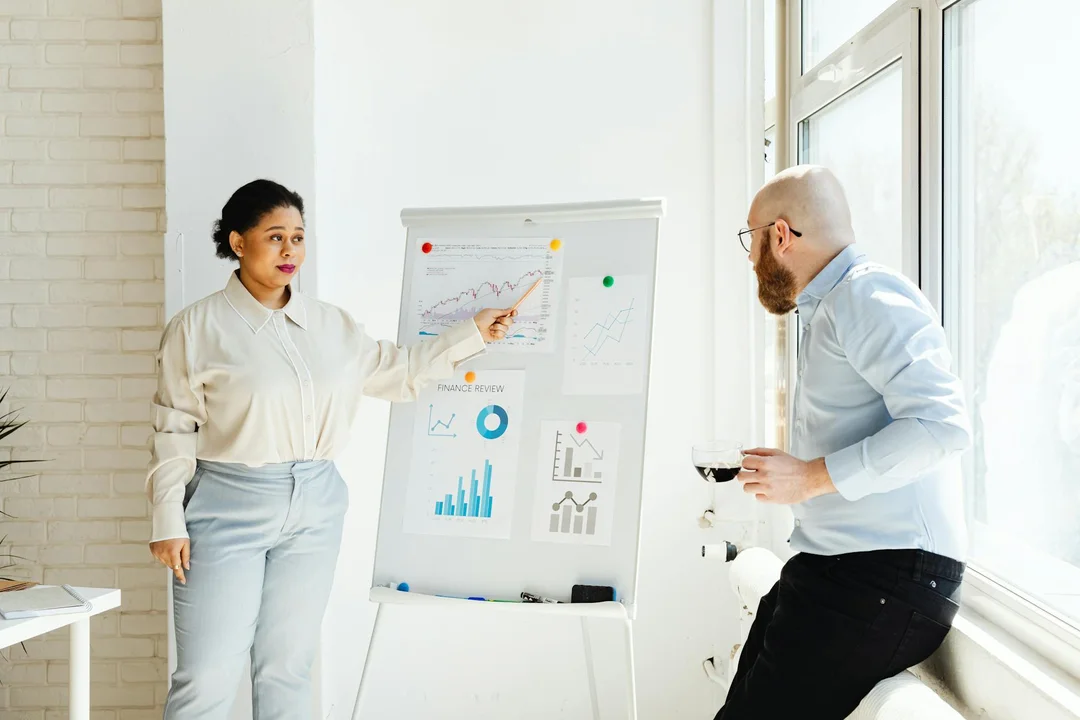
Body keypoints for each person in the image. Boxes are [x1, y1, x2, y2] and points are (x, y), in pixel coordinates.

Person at [146, 179, 515, 719]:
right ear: (238, 242)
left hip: (317, 504)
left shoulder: (332, 324)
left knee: (288, 668)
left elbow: (401, 373)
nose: (290, 249)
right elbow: (172, 428)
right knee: (207, 675)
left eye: (298, 237)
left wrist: (473, 334)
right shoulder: (196, 329)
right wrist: (166, 518)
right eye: (275, 237)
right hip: (226, 505)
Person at [716, 165, 971, 719]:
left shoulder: (866, 295)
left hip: (883, 578)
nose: (751, 256)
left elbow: (941, 425)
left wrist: (808, 478)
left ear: (780, 235)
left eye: (751, 239)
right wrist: (796, 474)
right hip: (836, 570)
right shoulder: (832, 306)